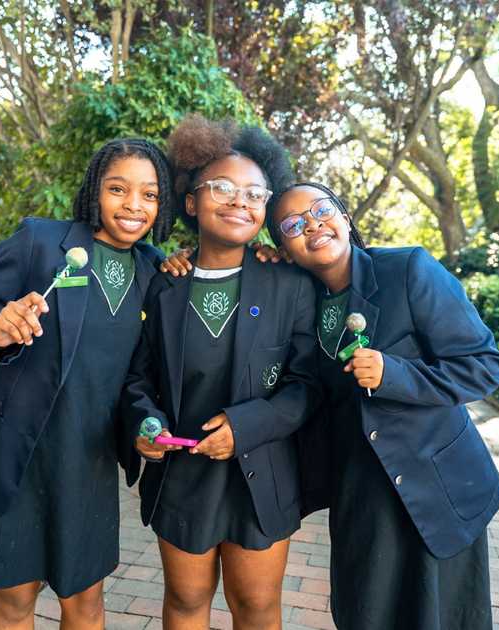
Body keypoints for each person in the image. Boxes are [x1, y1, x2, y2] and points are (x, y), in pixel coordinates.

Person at [259, 180, 499, 628]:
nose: (312, 224)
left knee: (440, 616)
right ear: (283, 249)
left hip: (437, 484)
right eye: (293, 225)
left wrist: (395, 375)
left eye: (321, 209)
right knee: (367, 611)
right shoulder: (298, 300)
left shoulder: (407, 269)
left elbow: (483, 366)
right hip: (362, 491)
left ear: (345, 216)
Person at [117, 117, 323, 629]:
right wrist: (143, 422)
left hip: (262, 474)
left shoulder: (289, 284)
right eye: (224, 188)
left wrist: (246, 427)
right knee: (186, 604)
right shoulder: (164, 287)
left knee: (255, 607)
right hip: (184, 474)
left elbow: (307, 386)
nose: (240, 201)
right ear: (190, 201)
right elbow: (138, 378)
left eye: (256, 193)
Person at [0, 139, 178, 629]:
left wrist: (145, 423)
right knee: (14, 602)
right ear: (94, 191)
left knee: (84, 607)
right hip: (16, 454)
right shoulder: (40, 241)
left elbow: (138, 375)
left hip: (88, 461)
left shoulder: (154, 271)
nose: (133, 205)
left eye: (149, 195)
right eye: (118, 189)